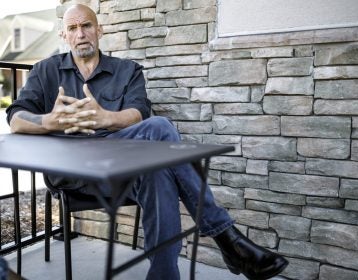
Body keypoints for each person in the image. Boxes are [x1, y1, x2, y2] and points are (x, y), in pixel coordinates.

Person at [6, 4, 288, 280]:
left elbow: (139, 112)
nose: (80, 33)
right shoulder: (45, 70)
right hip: (71, 169)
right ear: (64, 35)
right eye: (72, 28)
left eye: (86, 25)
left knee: (158, 156)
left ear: (99, 30)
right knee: (160, 160)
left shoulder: (126, 70)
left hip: (119, 160)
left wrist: (105, 118)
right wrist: (50, 122)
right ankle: (227, 239)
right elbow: (15, 117)